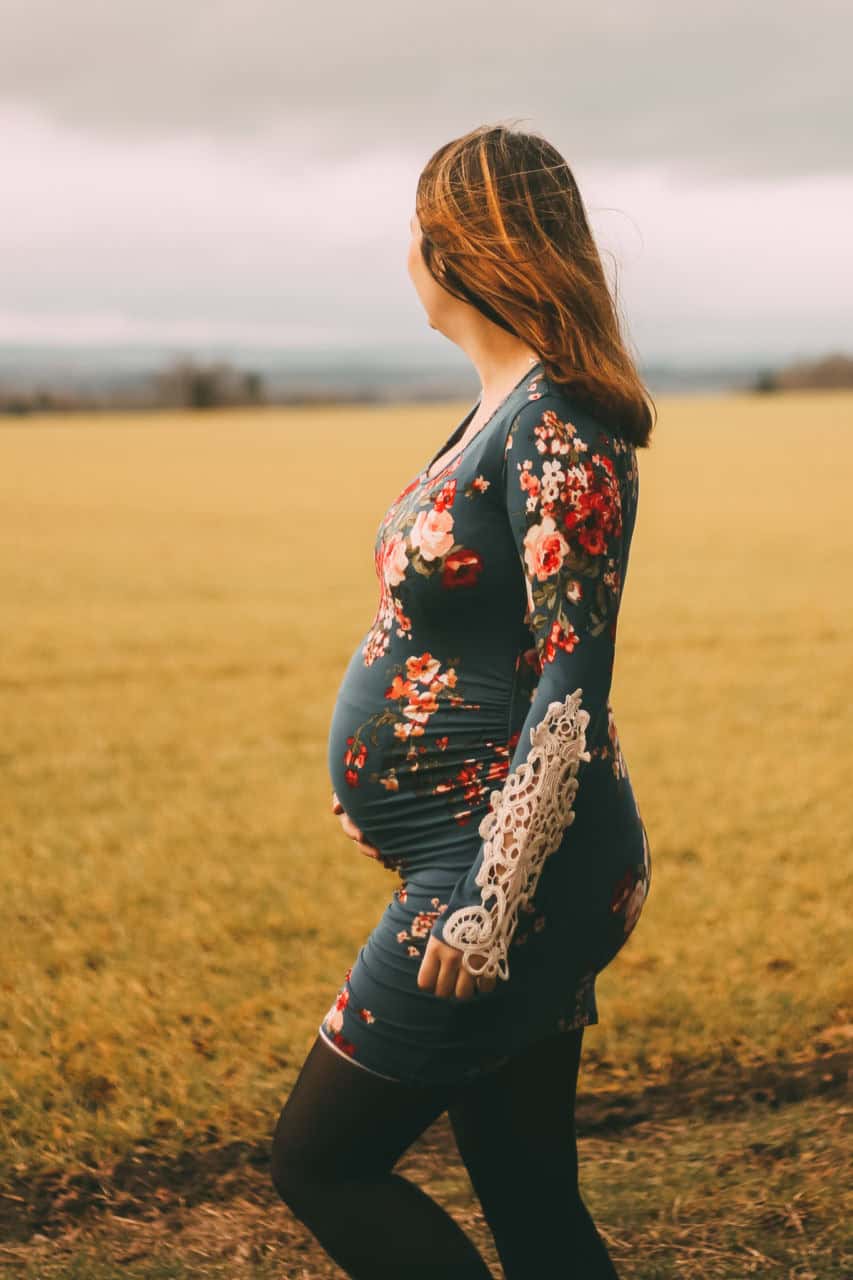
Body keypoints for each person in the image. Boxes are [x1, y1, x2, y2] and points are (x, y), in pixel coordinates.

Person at [271, 121, 656, 1279]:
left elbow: (571, 682)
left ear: (465, 248)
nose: (408, 255)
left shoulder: (560, 420)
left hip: (501, 876)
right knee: (532, 1198)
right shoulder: (504, 408)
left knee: (320, 1161)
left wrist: (489, 900)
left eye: (417, 230)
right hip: (484, 861)